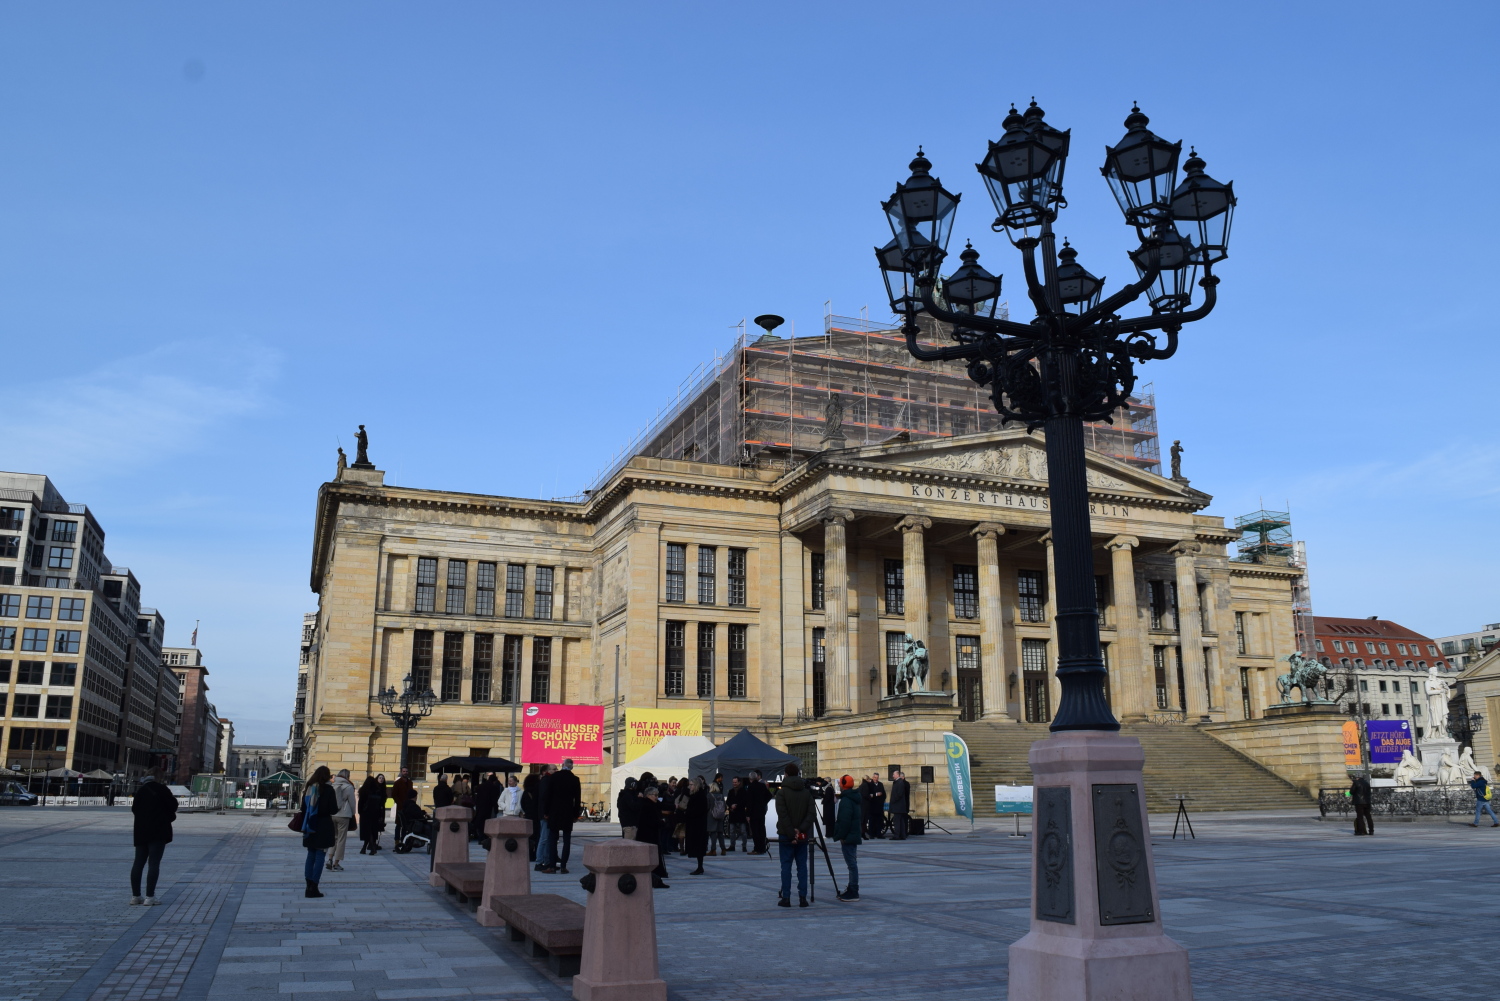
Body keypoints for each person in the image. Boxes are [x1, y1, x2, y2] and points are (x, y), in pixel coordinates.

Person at [129, 766, 178, 906]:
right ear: (160, 777)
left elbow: (134, 809)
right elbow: (173, 806)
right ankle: (149, 897)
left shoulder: (141, 790)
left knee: (138, 862)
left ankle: (135, 896)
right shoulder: (162, 789)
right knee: (154, 863)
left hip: (141, 831)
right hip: (158, 831)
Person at [774, 761, 815, 908]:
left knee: (786, 866)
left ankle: (786, 898)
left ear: (785, 774)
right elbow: (811, 814)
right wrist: (800, 830)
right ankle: (803, 898)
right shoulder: (806, 793)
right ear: (798, 774)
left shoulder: (782, 792)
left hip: (786, 835)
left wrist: (792, 833)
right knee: (802, 866)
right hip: (802, 835)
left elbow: (782, 815)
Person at [301, 766, 338, 898]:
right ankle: (314, 887)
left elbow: (303, 807)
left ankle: (308, 886)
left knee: (311, 854)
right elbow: (333, 809)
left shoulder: (309, 788)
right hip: (323, 825)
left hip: (310, 824)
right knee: (320, 855)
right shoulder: (328, 789)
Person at [542, 759, 582, 874]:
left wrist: (546, 812)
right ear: (572, 767)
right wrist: (576, 814)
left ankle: (552, 866)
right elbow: (577, 799)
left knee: (552, 839)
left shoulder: (554, 777)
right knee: (567, 840)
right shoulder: (575, 779)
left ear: (562, 765)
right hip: (568, 813)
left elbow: (548, 796)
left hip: (554, 812)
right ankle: (563, 866)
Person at [634, 784, 669, 888]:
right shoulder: (647, 806)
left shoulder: (652, 804)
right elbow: (651, 821)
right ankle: (654, 879)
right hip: (648, 835)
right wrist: (661, 822)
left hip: (650, 834)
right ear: (648, 795)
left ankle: (655, 878)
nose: (656, 797)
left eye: (657, 795)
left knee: (652, 857)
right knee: (651, 857)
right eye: (655, 795)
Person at [833, 774, 862, 901]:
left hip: (848, 836)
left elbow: (844, 821)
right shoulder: (854, 797)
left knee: (851, 864)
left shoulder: (846, 800)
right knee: (852, 863)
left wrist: (841, 835)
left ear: (843, 785)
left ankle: (853, 891)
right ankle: (852, 887)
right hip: (853, 834)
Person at [328, 769, 357, 871]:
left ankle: (329, 858)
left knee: (334, 837)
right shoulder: (349, 787)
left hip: (332, 814)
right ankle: (336, 863)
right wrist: (353, 814)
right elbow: (352, 803)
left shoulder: (333, 785)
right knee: (341, 839)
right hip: (344, 815)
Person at [685, 776, 710, 875]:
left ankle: (700, 867)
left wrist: (688, 812)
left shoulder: (700, 796)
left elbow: (699, 810)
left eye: (691, 785)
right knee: (697, 846)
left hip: (698, 825)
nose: (690, 787)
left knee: (699, 846)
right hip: (695, 824)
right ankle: (699, 866)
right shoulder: (696, 795)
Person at [357, 776, 386, 854]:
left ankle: (372, 848)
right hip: (375, 813)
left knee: (368, 831)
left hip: (365, 813)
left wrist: (360, 812)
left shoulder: (363, 791)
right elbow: (381, 804)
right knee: (372, 831)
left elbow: (360, 803)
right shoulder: (377, 791)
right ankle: (364, 848)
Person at [745, 770, 772, 854]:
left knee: (755, 830)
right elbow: (769, 795)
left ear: (750, 779)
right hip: (761, 811)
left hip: (753, 812)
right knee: (761, 829)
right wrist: (763, 803)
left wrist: (748, 814)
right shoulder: (762, 786)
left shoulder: (750, 787)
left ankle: (757, 848)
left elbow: (749, 802)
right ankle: (762, 847)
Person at [522, 771, 543, 862]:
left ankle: (530, 854)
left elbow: (522, 804)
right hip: (537, 816)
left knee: (529, 836)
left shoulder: (526, 792)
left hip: (528, 816)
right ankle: (537, 853)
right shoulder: (539, 791)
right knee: (538, 836)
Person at [726, 776, 748, 852]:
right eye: (733, 782)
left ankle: (744, 846)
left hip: (741, 813)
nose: (734, 784)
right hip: (733, 813)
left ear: (739, 782)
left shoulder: (743, 791)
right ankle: (732, 845)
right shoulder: (731, 791)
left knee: (743, 831)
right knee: (732, 831)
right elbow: (728, 801)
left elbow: (744, 801)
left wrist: (737, 805)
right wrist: (731, 805)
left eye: (735, 782)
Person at [707, 775, 726, 856]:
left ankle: (713, 850)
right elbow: (725, 806)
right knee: (720, 833)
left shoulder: (709, 795)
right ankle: (723, 849)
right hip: (720, 816)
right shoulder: (721, 795)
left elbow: (707, 806)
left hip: (712, 816)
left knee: (713, 833)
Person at [889, 770, 911, 840]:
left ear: (897, 775)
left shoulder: (899, 782)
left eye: (894, 774)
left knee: (897, 821)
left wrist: (893, 800)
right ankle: (902, 835)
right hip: (899, 806)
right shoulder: (898, 782)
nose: (893, 776)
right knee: (901, 821)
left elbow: (899, 794)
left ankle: (897, 835)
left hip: (898, 806)